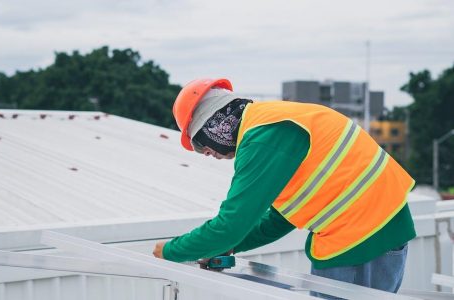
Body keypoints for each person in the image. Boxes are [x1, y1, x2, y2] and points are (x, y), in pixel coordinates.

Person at [152, 78, 416, 297]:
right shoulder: (274, 122)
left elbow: (230, 225)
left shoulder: (262, 137)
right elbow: (281, 219)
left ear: (213, 125)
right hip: (386, 231)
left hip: (356, 241)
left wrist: (170, 251)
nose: (207, 153)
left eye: (200, 144)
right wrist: (231, 246)